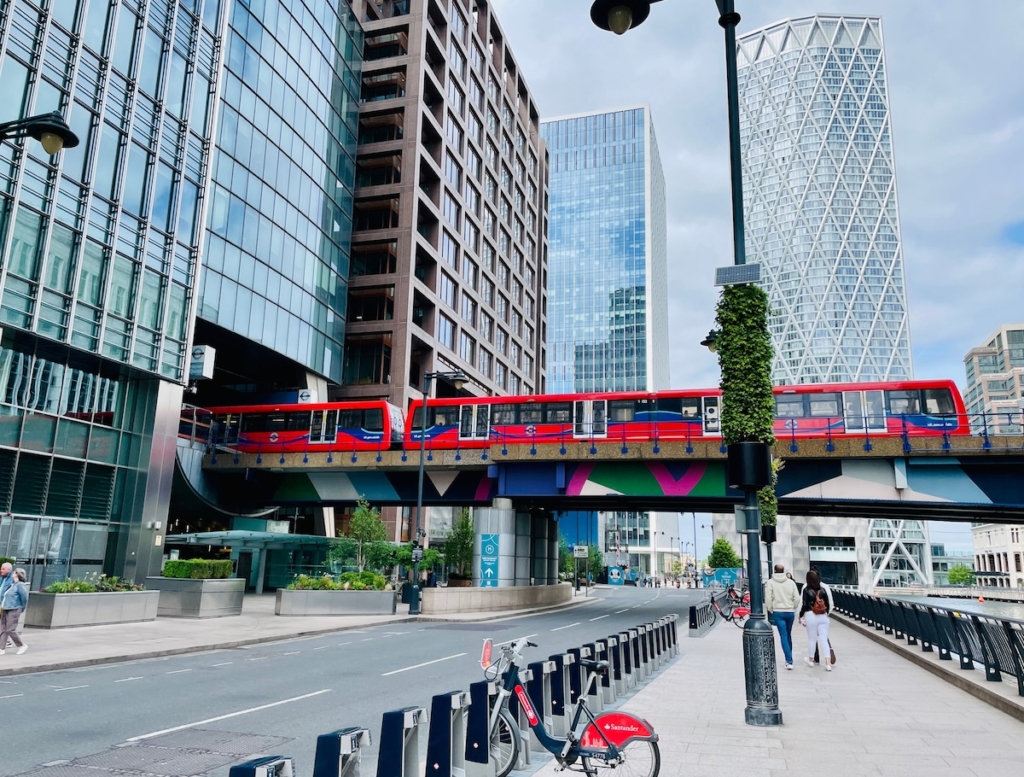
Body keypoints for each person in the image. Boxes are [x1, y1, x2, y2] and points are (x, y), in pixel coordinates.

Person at [765, 563, 800, 669]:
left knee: (783, 635)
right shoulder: (790, 583)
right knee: (788, 634)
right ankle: (789, 656)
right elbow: (797, 598)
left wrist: (770, 608)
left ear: (774, 571)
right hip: (789, 611)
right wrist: (793, 607)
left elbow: (768, 598)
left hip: (778, 611)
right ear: (783, 570)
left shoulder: (770, 583)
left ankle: (789, 660)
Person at [799, 569, 832, 671]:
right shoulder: (823, 590)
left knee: (812, 639)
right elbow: (828, 604)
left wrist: (800, 616)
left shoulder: (806, 590)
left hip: (810, 615)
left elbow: (804, 605)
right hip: (823, 616)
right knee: (824, 639)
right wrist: (826, 613)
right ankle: (828, 663)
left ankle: (811, 659)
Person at [0, 567, 28, 655]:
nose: (12, 574)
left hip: (14, 609)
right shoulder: (13, 584)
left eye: (14, 572)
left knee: (10, 630)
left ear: (17, 574)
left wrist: (22, 608)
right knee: (3, 629)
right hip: (5, 608)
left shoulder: (20, 585)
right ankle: (1, 648)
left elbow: (24, 598)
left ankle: (21, 645)